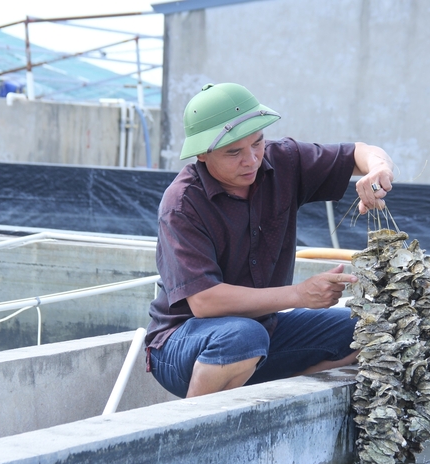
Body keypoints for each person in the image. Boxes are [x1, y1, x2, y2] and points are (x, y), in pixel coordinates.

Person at [145, 82, 394, 398]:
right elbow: (206, 302)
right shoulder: (182, 204)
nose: (251, 160)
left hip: (264, 332)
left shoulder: (283, 161)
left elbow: (360, 152)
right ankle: (195, 436)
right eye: (233, 152)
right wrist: (300, 294)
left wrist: (378, 170)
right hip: (183, 342)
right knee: (242, 338)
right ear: (203, 155)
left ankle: (274, 402)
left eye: (257, 142)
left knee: (368, 329)